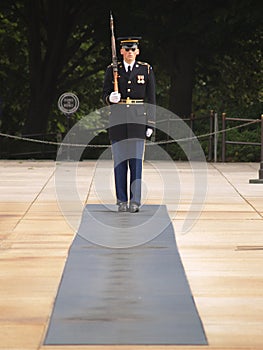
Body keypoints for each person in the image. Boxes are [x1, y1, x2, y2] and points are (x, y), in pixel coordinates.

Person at [103, 37, 156, 213]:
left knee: (136, 163)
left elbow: (152, 99)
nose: (130, 52)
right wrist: (110, 98)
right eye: (127, 49)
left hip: (138, 121)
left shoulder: (145, 70)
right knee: (119, 163)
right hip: (118, 121)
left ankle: (135, 200)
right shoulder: (112, 70)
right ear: (121, 52)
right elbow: (104, 94)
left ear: (137, 51)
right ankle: (121, 200)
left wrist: (150, 124)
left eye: (133, 49)